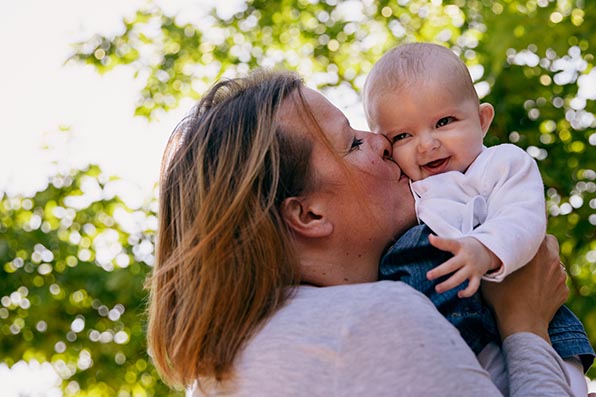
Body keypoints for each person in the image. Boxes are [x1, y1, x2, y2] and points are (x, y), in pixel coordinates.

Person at [146, 69, 575, 396]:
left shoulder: (226, 370)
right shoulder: (368, 324)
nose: (384, 142)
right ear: (309, 215)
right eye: (352, 143)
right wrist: (525, 325)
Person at [363, 42, 594, 396]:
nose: (426, 145)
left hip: (541, 324)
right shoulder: (408, 190)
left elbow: (523, 218)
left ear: (482, 120)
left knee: (565, 382)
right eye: (403, 136)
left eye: (444, 122)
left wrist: (485, 248)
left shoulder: (500, 165)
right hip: (468, 337)